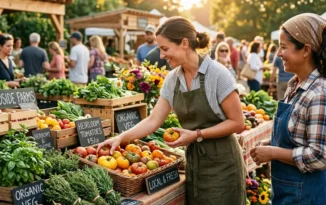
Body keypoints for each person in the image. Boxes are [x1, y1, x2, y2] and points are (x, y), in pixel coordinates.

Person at [98, 16, 245, 205]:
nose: (161, 56)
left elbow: (237, 123)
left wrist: (196, 134)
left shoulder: (218, 74)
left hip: (224, 165)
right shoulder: (173, 79)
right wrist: (121, 137)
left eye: (165, 49)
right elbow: (153, 120)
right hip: (195, 163)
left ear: (184, 43)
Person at [250, 13, 326, 204]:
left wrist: (273, 153)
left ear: (306, 50)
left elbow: (319, 155)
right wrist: (269, 144)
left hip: (307, 195)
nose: (278, 54)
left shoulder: (319, 93)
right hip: (287, 192)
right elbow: (296, 136)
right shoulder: (294, 85)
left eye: (284, 47)